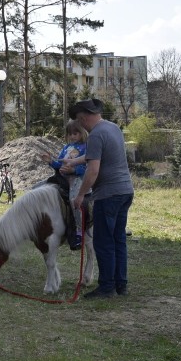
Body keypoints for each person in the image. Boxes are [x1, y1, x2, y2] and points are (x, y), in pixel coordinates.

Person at [69, 98, 134, 299]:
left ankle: (106, 287)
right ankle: (120, 284)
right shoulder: (112, 128)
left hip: (108, 194)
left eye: (80, 122)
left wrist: (80, 195)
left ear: (84, 117)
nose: (81, 126)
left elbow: (93, 170)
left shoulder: (95, 135)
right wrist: (70, 161)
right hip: (125, 191)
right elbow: (94, 155)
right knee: (118, 239)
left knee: (104, 241)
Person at [41, 119, 88, 250]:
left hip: (77, 179)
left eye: (76, 133)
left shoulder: (86, 147)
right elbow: (59, 164)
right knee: (39, 188)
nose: (72, 136)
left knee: (74, 201)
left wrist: (74, 170)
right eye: (70, 133)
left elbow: (88, 167)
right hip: (62, 178)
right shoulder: (66, 148)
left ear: (82, 133)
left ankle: (79, 231)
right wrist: (50, 161)